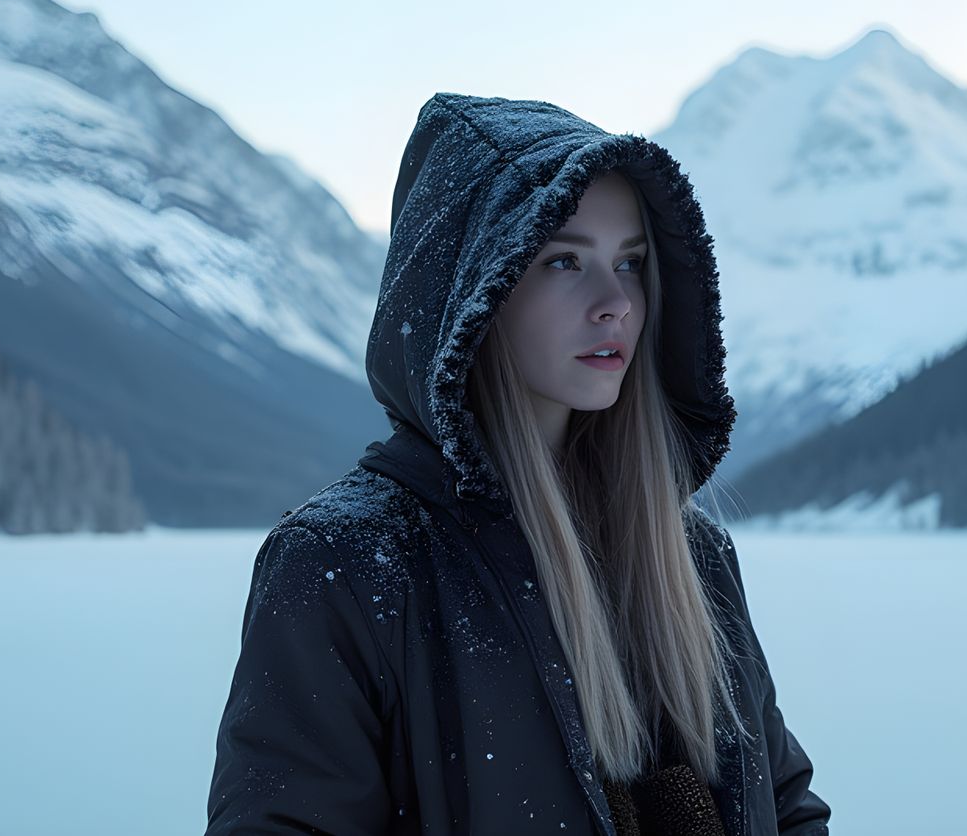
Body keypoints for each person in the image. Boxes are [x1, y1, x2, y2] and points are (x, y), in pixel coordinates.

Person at [205, 93, 831, 835]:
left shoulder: (690, 557)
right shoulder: (347, 566)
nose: (616, 304)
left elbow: (786, 809)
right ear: (473, 286)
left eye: (630, 263)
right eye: (564, 260)